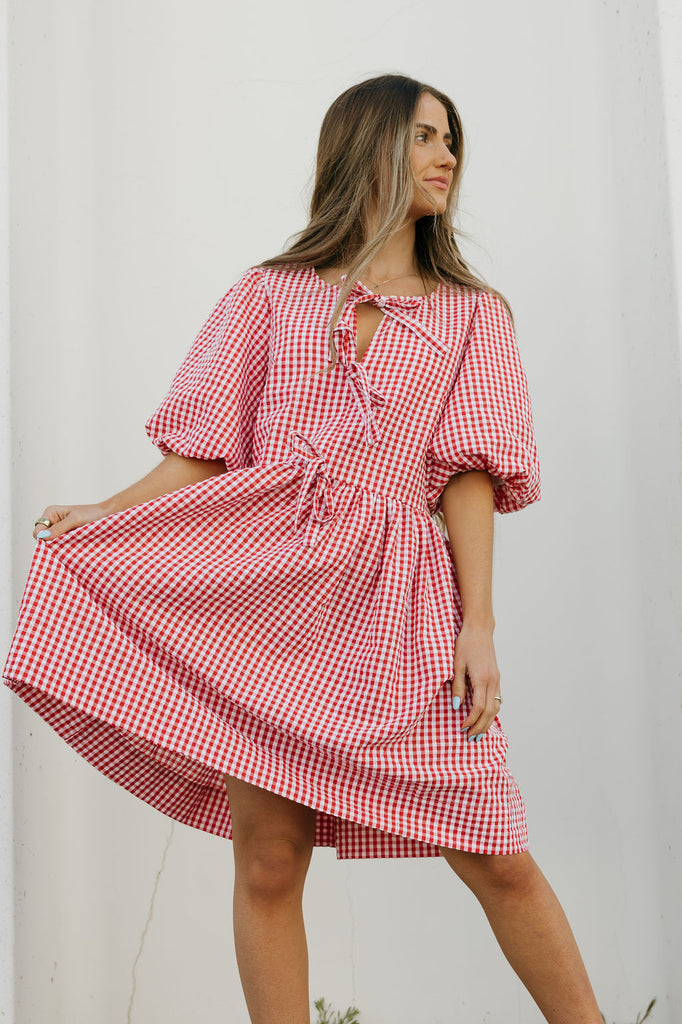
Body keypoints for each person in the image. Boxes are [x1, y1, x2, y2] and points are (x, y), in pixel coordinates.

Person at [3, 74, 601, 1023]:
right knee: (270, 859)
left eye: (451, 140)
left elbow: (468, 476)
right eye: (425, 137)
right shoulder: (269, 295)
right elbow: (204, 447)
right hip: (264, 595)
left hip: (395, 601)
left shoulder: (471, 314)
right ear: (366, 146)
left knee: (494, 848)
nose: (447, 157)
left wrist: (478, 626)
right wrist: (109, 512)